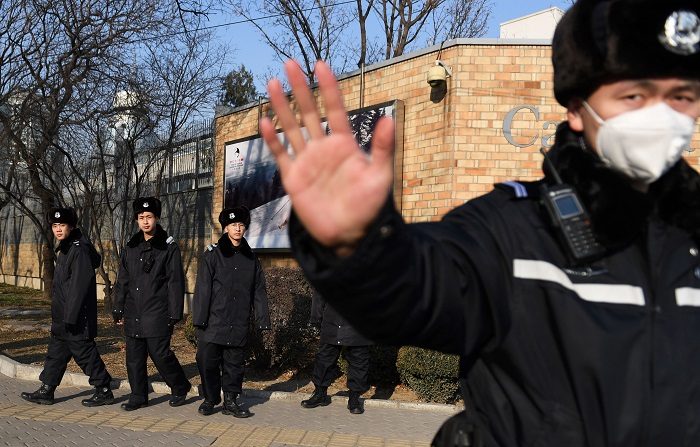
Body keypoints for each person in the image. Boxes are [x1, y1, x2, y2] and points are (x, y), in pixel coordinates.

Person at [259, 0, 700, 445]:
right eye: (634, 95)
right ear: (576, 107)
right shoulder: (511, 231)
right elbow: (414, 291)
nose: (661, 117)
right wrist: (359, 245)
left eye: (682, 96)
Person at [21, 207, 114, 407]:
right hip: (63, 315)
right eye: (55, 226)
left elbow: (78, 288)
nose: (58, 229)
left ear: (71, 226)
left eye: (62, 225)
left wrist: (70, 317)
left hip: (75, 317)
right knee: (56, 353)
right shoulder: (66, 247)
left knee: (85, 353)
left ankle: (104, 389)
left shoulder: (78, 250)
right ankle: (47, 390)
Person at [113, 197, 192, 411]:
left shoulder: (168, 247)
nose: (145, 222)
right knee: (134, 357)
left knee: (161, 354)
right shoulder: (131, 246)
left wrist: (174, 314)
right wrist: (118, 308)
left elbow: (175, 282)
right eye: (141, 218)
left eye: (149, 217)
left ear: (156, 218)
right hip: (133, 311)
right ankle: (138, 395)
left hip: (157, 311)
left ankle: (180, 386)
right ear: (136, 220)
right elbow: (122, 280)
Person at [192, 206, 270, 417]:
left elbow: (258, 290)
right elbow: (203, 289)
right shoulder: (213, 255)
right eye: (233, 225)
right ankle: (210, 398)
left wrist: (263, 319)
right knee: (207, 361)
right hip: (213, 322)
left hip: (238, 321)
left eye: (241, 225)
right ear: (226, 228)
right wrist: (199, 320)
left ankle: (231, 400)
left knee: (234, 365)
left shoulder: (251, 259)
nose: (237, 229)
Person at [301, 290, 372, 414]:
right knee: (324, 359)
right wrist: (316, 318)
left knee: (359, 361)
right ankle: (320, 394)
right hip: (332, 322)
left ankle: (354, 399)